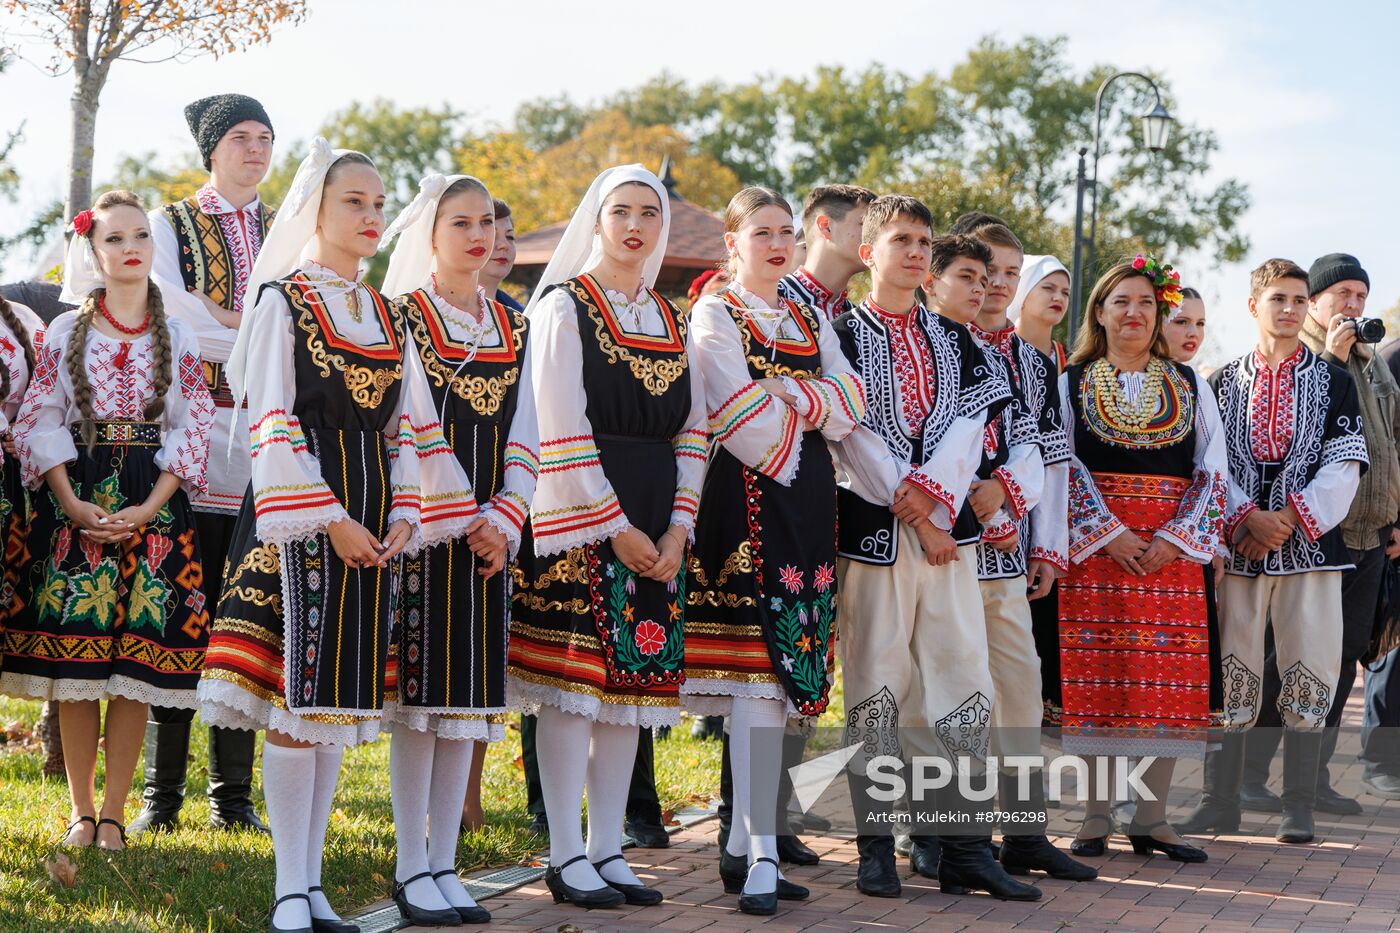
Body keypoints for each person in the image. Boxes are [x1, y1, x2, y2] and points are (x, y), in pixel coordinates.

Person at [198, 140, 474, 932]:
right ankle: (289, 888)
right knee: (296, 702)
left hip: (371, 517)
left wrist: (403, 513)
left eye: (379, 203)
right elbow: (271, 419)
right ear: (315, 207)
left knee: (331, 706)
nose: (372, 215)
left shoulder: (386, 313)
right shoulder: (283, 299)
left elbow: (413, 429)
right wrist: (333, 518)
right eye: (355, 200)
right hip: (304, 515)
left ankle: (311, 885)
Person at [506, 165, 706, 910]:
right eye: (619, 210)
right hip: (584, 517)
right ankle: (563, 851)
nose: (635, 224)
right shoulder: (564, 306)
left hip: (658, 516)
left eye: (648, 213)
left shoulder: (670, 315)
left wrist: (680, 524)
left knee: (631, 689)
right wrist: (613, 523)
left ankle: (607, 846)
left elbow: (695, 427)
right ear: (595, 220)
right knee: (573, 690)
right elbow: (558, 421)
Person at [1, 190, 215, 851]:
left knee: (134, 664)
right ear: (93, 252)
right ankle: (81, 810)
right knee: (76, 663)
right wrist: (68, 501)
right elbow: (38, 419)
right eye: (115, 238)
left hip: (153, 501)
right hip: (82, 496)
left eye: (141, 237)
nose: (130, 248)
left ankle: (117, 813)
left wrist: (151, 506)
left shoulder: (176, 333)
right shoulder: (66, 331)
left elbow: (196, 420)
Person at [831, 212, 1029, 899]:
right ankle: (876, 847)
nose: (916, 253)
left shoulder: (956, 338)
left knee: (961, 676)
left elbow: (972, 425)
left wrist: (934, 501)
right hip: (873, 534)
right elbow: (848, 430)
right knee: (875, 682)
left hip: (949, 541)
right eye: (902, 242)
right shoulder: (843, 335)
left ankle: (966, 848)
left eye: (923, 242)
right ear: (868, 252)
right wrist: (912, 507)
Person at [684, 186, 865, 916]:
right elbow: (733, 408)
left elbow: (853, 402)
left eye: (786, 231)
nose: (778, 243)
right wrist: (808, 404)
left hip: (807, 504)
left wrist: (789, 389)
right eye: (762, 231)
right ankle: (757, 849)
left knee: (775, 686)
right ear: (733, 241)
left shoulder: (807, 311)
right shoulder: (714, 311)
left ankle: (741, 845)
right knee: (753, 684)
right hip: (744, 502)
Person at [381, 172, 542, 924]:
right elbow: (409, 424)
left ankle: (444, 860)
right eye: (460, 222)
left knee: (467, 700)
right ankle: (411, 864)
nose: (479, 235)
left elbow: (527, 430)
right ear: (430, 234)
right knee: (421, 702)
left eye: (486, 221)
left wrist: (507, 515)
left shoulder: (513, 324)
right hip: (424, 523)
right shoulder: (402, 316)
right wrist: (462, 512)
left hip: (487, 540)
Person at [135, 92, 277, 837]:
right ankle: (162, 797)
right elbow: (173, 324)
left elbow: (292, 332)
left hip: (264, 449)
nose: (256, 149)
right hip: (188, 445)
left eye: (265, 137)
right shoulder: (170, 224)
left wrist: (228, 322)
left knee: (246, 618)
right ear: (212, 149)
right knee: (178, 615)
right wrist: (243, 327)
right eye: (241, 137)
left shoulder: (288, 228)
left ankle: (233, 798)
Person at [1054, 255, 1226, 863]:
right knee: (1101, 680)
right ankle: (1097, 814)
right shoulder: (1069, 381)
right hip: (1098, 555)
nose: (1134, 313)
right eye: (1121, 302)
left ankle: (1152, 818)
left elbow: (1213, 469)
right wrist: (1107, 533)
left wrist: (1176, 539)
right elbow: (1061, 464)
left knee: (1166, 683)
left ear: (1159, 315)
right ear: (1098, 313)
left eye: (1147, 303)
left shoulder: (1190, 385)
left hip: (1170, 556)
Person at [1189, 259, 1367, 845]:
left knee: (1309, 665)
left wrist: (1288, 519)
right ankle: (1221, 802)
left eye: (1297, 299)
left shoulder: (1336, 379)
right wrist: (1246, 517)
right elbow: (1209, 463)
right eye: (1278, 299)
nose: (1289, 309)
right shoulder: (1220, 383)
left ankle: (1299, 806)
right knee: (1234, 665)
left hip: (1311, 547)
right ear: (1253, 306)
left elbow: (1345, 466)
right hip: (1241, 544)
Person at [1240, 254, 1399, 820]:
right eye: (1342, 295)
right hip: (1303, 538)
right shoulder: (1300, 355)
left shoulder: (1373, 362)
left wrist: (1394, 522)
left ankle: (1312, 780)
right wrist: (1329, 355)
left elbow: (1390, 445)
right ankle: (1248, 777)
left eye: (1361, 295)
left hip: (1368, 538)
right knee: (1276, 658)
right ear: (1316, 301)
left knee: (1341, 660)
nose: (1354, 306)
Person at [963, 223, 1094, 883]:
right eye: (991, 271)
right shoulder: (941, 338)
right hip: (942, 548)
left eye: (1013, 273)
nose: (1002, 284)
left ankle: (1022, 830)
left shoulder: (1034, 361)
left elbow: (1045, 455)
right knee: (948, 692)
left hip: (1009, 554)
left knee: (1019, 688)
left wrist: (1045, 542)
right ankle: (939, 834)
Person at [1365, 338, 1400, 800]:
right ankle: (1381, 762)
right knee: (1391, 651)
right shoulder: (1392, 359)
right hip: (1393, 531)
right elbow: (1385, 450)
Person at [777, 184, 875, 321]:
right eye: (864, 224)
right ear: (826, 226)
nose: (875, 235)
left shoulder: (858, 320)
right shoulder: (769, 301)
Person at [1011, 255, 1071, 372]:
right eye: (1048, 288)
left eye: (1065, 293)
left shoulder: (1072, 363)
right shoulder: (996, 352)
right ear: (1023, 293)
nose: (1059, 298)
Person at [478, 197, 523, 313]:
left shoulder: (523, 316)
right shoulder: (431, 310)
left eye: (510, 237)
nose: (504, 245)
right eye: (492, 235)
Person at [1163, 287, 1206, 364]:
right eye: (1182, 322)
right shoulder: (1137, 373)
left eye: (1200, 323)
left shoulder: (1193, 376)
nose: (1194, 333)